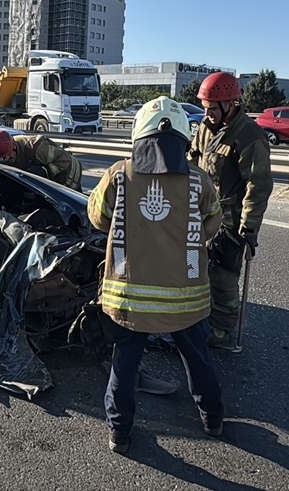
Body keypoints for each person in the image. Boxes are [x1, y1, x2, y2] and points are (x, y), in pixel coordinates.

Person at [88, 97, 225, 453]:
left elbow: (98, 218)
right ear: (184, 136)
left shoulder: (119, 175)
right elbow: (213, 223)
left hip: (128, 300)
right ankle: (213, 417)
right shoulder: (199, 181)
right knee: (198, 359)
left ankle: (119, 432)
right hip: (187, 299)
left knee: (125, 365)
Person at [187, 71, 273, 352]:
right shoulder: (205, 128)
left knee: (223, 274)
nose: (208, 113)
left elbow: (257, 186)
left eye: (213, 108)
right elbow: (193, 162)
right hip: (202, 210)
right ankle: (198, 319)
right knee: (195, 268)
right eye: (205, 108)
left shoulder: (248, 134)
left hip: (230, 217)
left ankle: (222, 330)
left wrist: (248, 230)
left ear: (230, 104)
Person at [0, 131, 82, 191]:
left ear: (14, 147)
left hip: (70, 174)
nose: (7, 160)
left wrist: (45, 172)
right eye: (3, 158)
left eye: (8, 157)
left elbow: (64, 160)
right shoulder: (9, 150)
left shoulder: (36, 148)